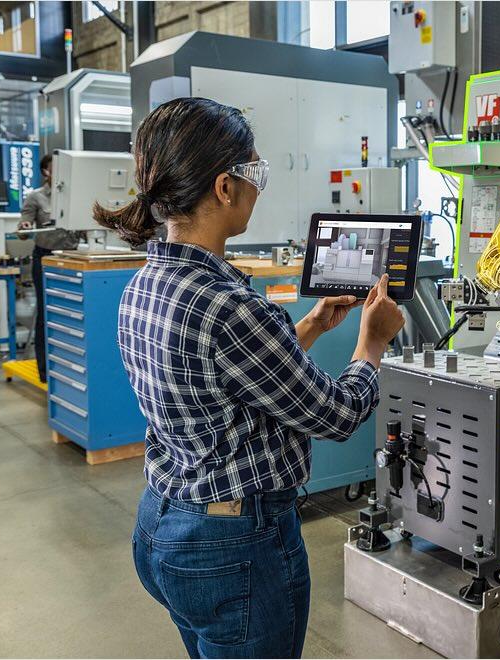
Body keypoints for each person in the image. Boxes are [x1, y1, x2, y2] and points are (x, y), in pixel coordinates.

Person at [96, 98, 404, 659]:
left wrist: (307, 326)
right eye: (254, 172)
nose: (257, 188)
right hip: (235, 545)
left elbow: (224, 382)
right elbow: (336, 414)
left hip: (165, 523)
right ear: (223, 187)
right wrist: (371, 344)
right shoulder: (230, 305)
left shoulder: (143, 284)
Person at [21, 154, 80, 383]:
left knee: (70, 315)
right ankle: (44, 371)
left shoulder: (74, 196)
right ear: (46, 172)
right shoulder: (36, 197)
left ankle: (69, 367)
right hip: (45, 259)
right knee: (46, 314)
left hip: (72, 258)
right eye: (56, 168)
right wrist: (24, 226)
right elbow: (23, 228)